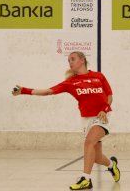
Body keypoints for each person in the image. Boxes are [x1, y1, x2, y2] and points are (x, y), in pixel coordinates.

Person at [12, 51, 120, 190]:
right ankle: (112, 165)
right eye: (69, 60)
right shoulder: (71, 82)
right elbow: (48, 91)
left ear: (82, 60)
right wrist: (24, 90)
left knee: (88, 143)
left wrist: (104, 110)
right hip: (86, 119)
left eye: (73, 59)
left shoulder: (98, 76)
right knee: (97, 157)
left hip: (102, 116)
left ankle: (86, 179)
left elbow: (109, 95)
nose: (70, 62)